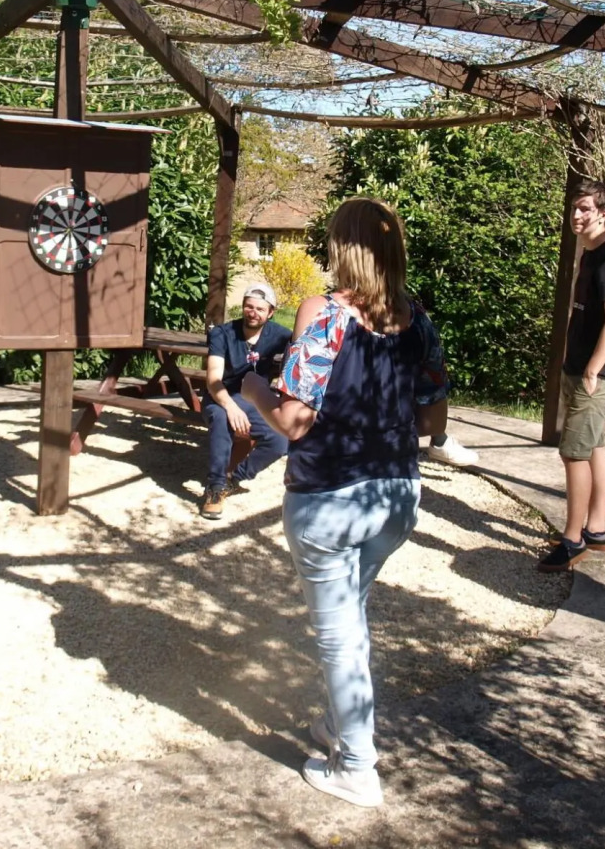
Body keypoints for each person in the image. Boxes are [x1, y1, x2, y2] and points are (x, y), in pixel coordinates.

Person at [240, 198, 452, 808]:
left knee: (338, 636)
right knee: (351, 619)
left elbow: (295, 421)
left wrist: (251, 383)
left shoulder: (324, 313)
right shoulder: (420, 322)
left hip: (328, 499)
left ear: (343, 248)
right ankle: (338, 725)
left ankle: (357, 767)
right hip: (395, 497)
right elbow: (433, 414)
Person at [538, 177, 605, 573]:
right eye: (574, 208)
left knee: (573, 452)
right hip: (578, 368)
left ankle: (572, 539)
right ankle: (596, 529)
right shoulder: (589, 252)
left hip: (596, 375)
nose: (577, 215)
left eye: (585, 209)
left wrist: (593, 370)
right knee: (594, 446)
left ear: (603, 214)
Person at [199, 283, 292, 519]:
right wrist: (230, 407)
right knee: (222, 419)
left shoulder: (280, 335)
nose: (253, 312)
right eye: (248, 307)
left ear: (271, 312)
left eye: (260, 309)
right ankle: (215, 487)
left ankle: (235, 479)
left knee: (281, 440)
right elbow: (212, 379)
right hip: (220, 396)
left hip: (252, 398)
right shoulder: (223, 334)